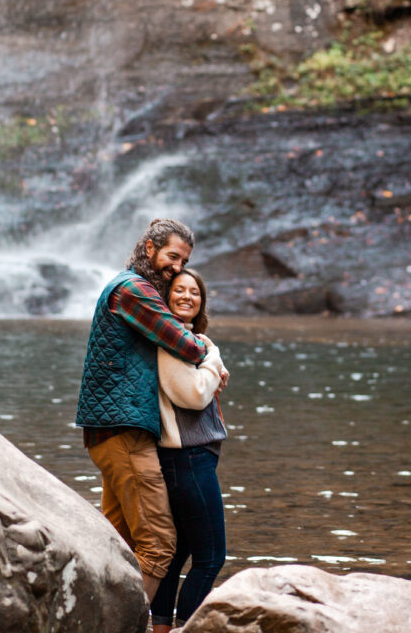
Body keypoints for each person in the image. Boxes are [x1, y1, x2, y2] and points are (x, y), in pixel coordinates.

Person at [75, 218, 207, 604]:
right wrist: (211, 355)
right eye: (172, 256)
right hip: (125, 432)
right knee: (159, 544)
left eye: (184, 261)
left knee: (116, 541)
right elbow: (184, 343)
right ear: (149, 248)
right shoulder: (134, 290)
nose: (178, 268)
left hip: (112, 430)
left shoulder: (126, 285)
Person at [151, 268, 228, 632]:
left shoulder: (188, 340)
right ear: (165, 298)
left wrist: (209, 354)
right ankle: (185, 629)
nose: (186, 296)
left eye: (194, 292)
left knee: (177, 553)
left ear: (202, 301)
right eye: (178, 290)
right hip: (188, 458)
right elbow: (194, 395)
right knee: (211, 557)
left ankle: (163, 628)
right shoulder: (172, 339)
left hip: (186, 459)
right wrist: (214, 356)